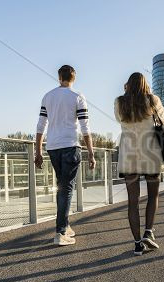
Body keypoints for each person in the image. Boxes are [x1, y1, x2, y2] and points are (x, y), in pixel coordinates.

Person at [35, 65, 96, 246]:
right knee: (67, 188)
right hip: (70, 146)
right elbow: (85, 128)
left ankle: (65, 224)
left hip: (52, 147)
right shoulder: (77, 97)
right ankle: (60, 232)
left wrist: (37, 151)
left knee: (62, 187)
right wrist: (91, 153)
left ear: (59, 77)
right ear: (73, 78)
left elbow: (40, 126)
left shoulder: (48, 96)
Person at [114, 72, 164, 256]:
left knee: (132, 202)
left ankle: (138, 244)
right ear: (146, 85)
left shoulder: (119, 102)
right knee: (153, 196)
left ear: (128, 85)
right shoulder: (153, 100)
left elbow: (119, 119)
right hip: (151, 155)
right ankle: (148, 231)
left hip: (129, 155)